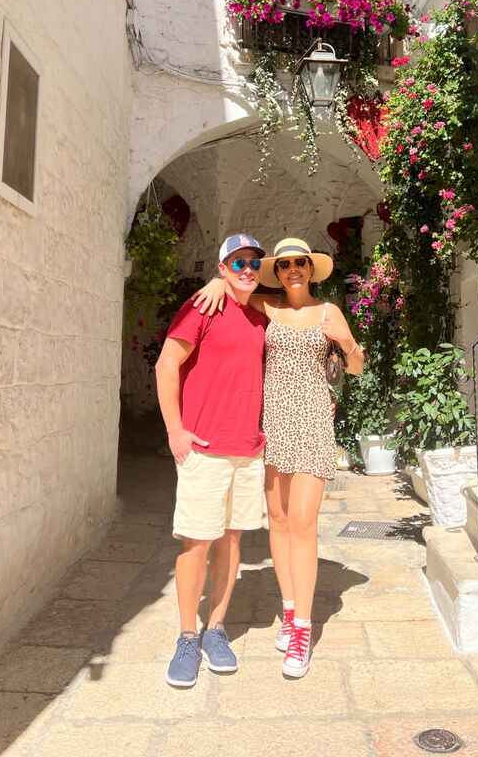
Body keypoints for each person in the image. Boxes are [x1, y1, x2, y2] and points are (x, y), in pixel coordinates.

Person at [193, 237, 364, 678]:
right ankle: (289, 612)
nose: (292, 270)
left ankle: (303, 628)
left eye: (299, 264)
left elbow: (358, 366)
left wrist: (346, 342)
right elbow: (235, 288)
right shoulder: (267, 309)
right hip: (271, 423)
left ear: (310, 269)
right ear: (279, 271)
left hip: (310, 423)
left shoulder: (329, 313)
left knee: (304, 523)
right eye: (284, 264)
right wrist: (216, 280)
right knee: (279, 521)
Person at [155, 233, 268, 688]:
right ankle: (187, 636)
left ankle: (215, 629)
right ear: (222, 268)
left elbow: (291, 295)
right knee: (196, 543)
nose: (246, 271)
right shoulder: (204, 305)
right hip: (204, 447)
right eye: (237, 264)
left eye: (253, 264)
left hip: (246, 449)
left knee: (232, 541)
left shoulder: (261, 313)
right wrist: (174, 430)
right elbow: (166, 366)